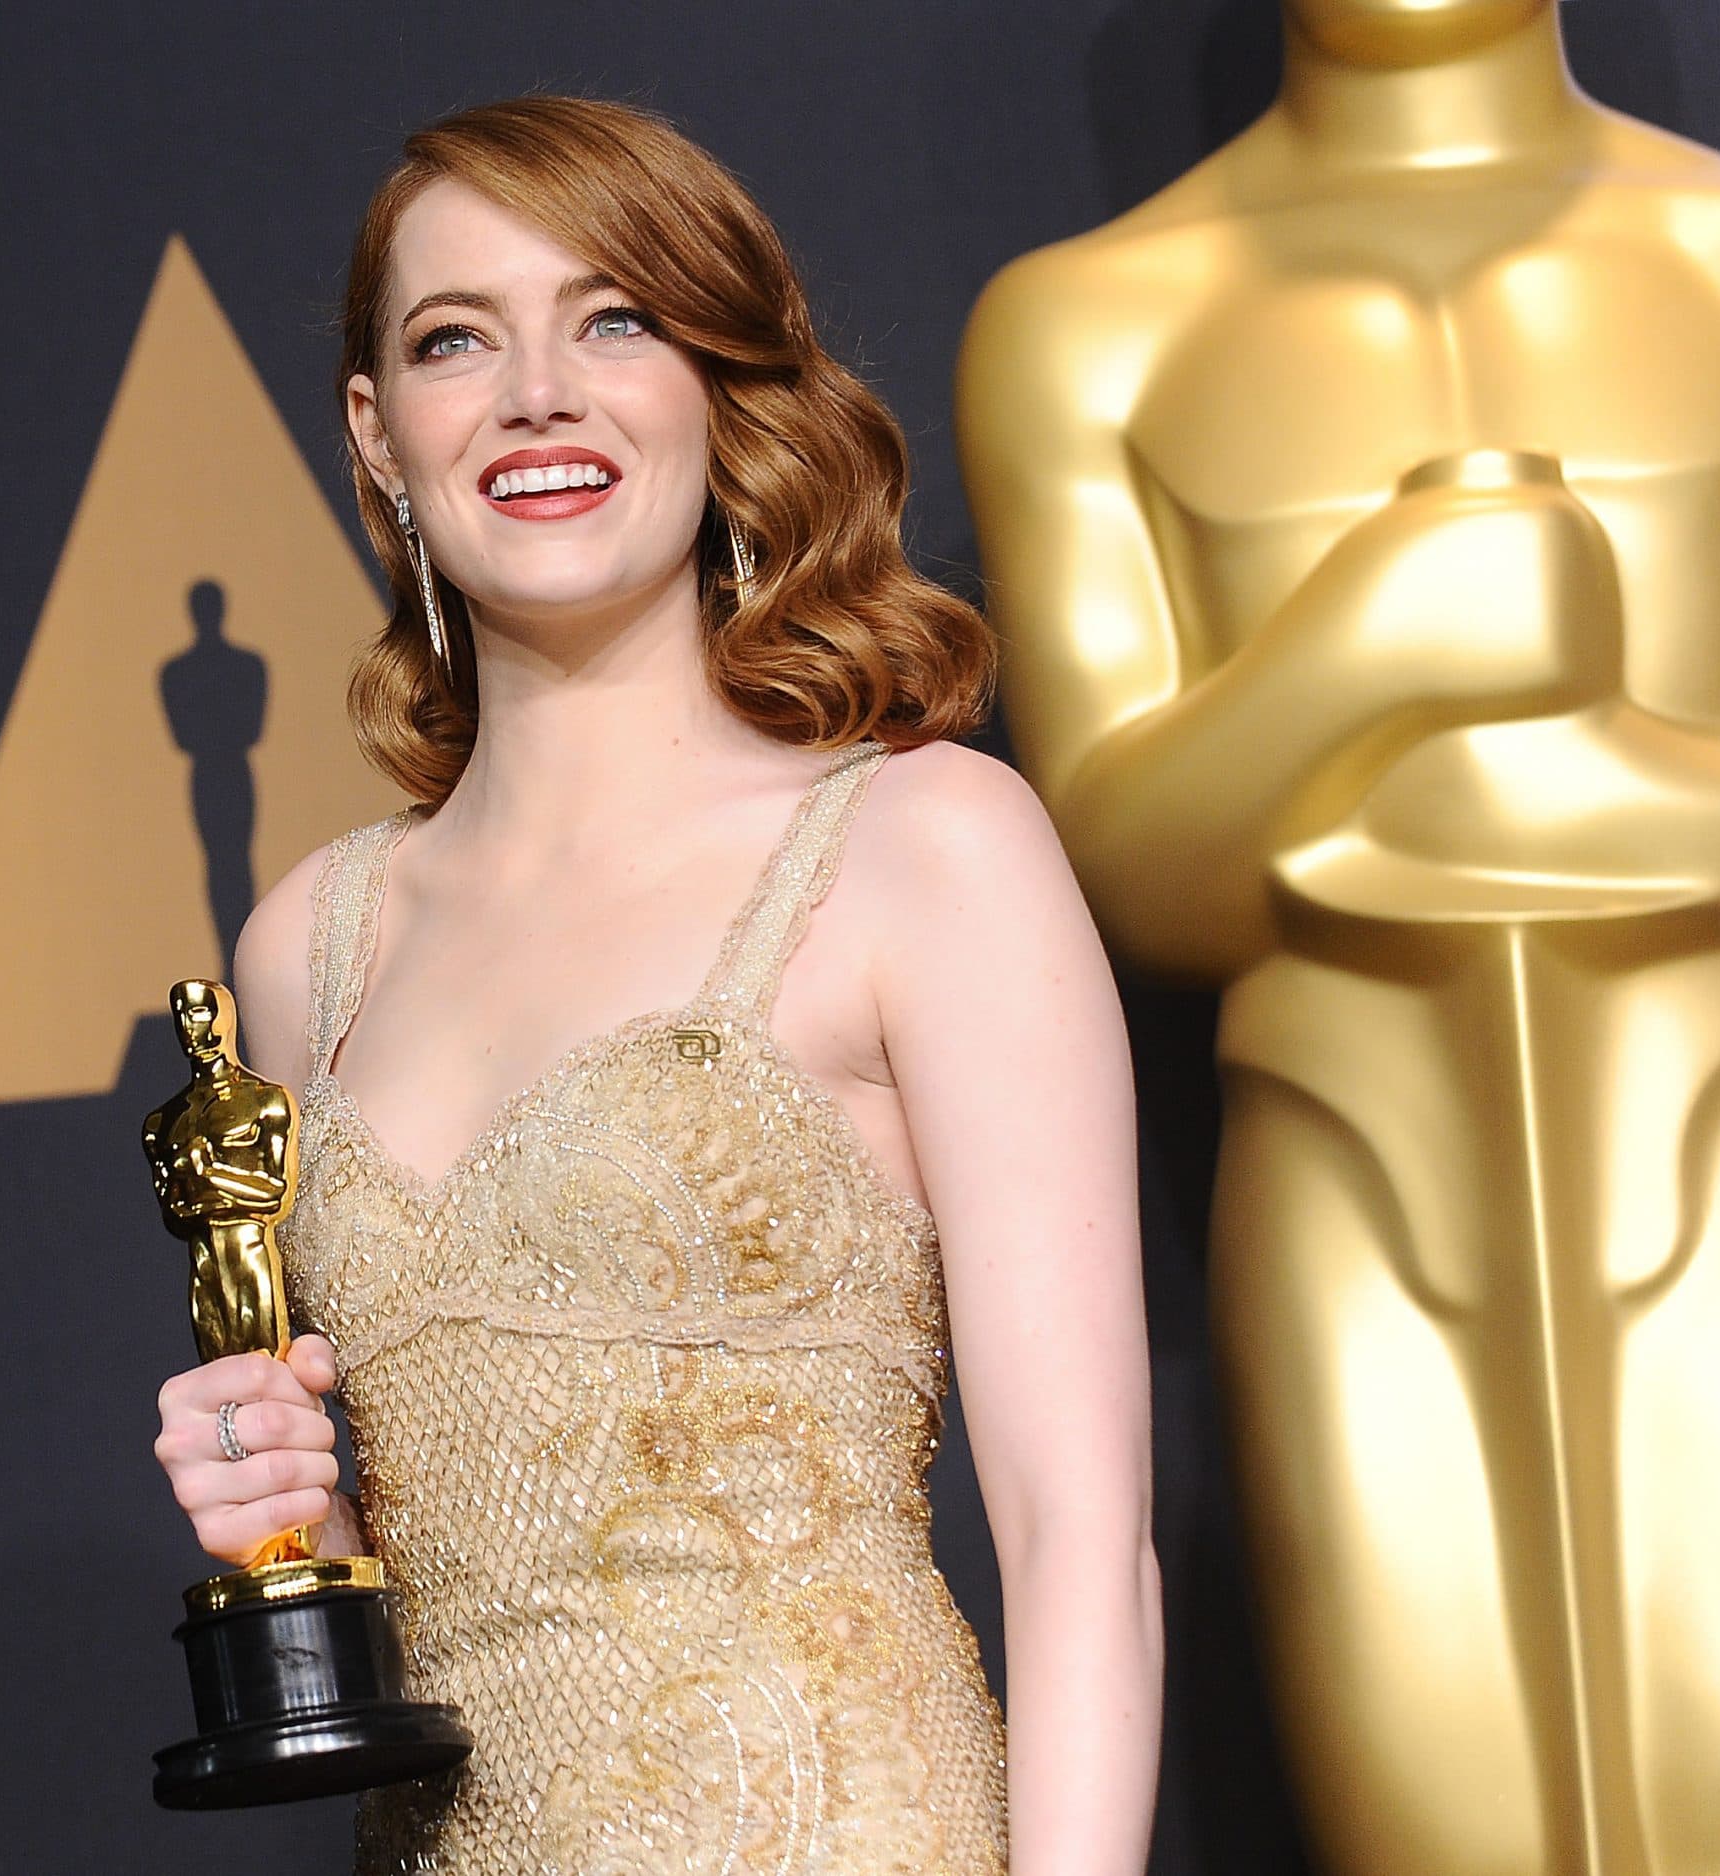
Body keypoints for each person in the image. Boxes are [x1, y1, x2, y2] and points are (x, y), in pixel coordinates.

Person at [153, 95, 1160, 1875]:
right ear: (381, 438)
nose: (538, 391)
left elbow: (1077, 1534)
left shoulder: (922, 849)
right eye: (458, 339)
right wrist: (285, 1512)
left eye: (614, 318)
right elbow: (418, 1521)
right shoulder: (307, 948)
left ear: (720, 384)